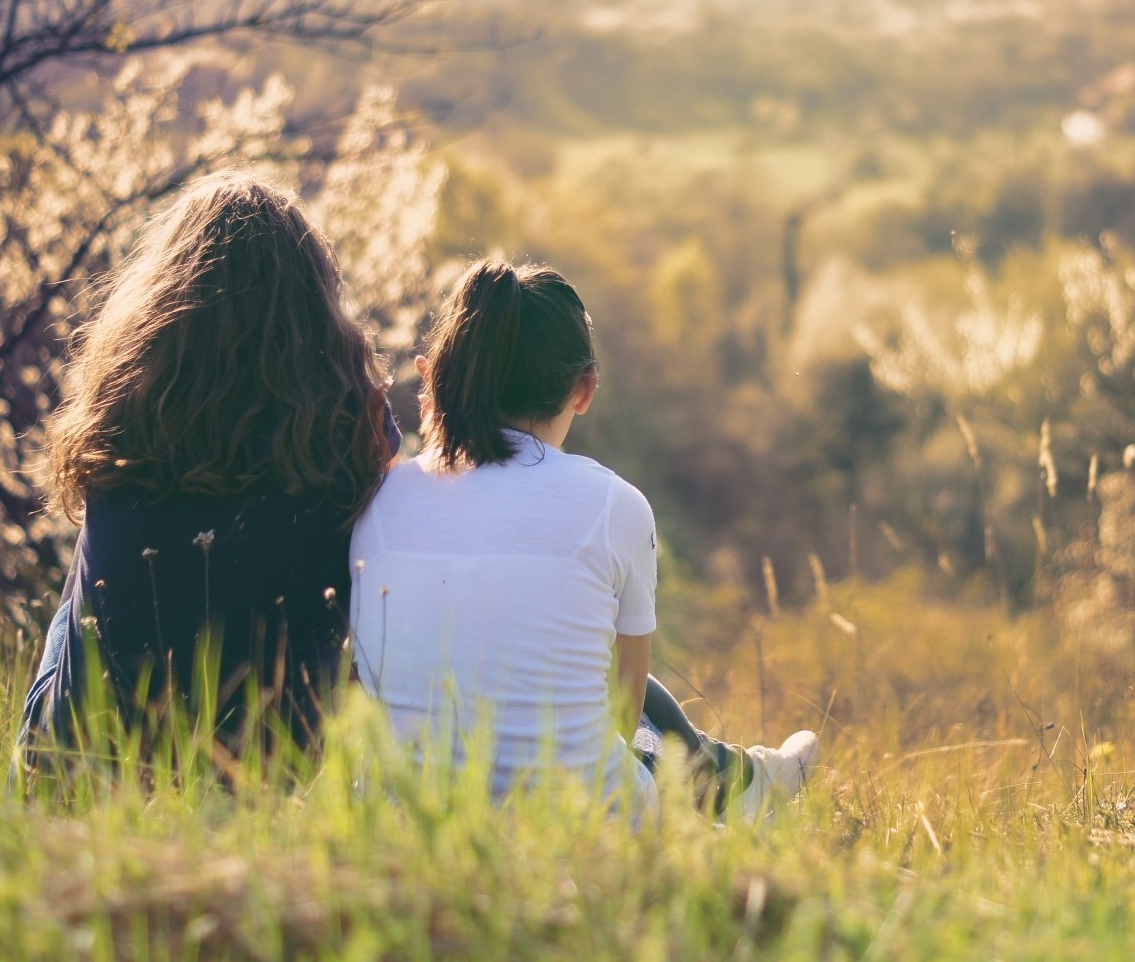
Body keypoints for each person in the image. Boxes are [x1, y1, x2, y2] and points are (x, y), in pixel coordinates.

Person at [350, 259, 817, 819]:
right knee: (605, 691)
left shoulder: (377, 502)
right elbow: (623, 712)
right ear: (585, 389)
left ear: (436, 377)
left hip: (404, 815)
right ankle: (739, 788)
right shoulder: (613, 506)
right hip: (589, 823)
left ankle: (734, 780)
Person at [18, 173, 397, 762]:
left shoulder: (120, 407)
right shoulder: (350, 420)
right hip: (277, 767)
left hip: (82, 767)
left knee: (77, 597)